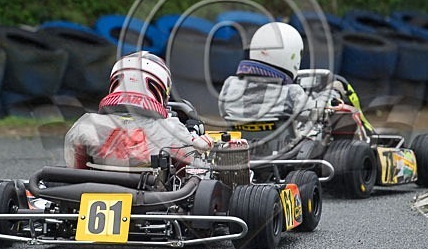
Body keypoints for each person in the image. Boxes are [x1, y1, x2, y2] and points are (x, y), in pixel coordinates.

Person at [64, 51, 213, 170]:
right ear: (159, 88)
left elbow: (75, 171)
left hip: (89, 192)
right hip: (152, 201)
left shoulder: (85, 124)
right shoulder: (170, 127)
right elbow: (191, 170)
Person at [218, 21, 315, 127]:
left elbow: (225, 114)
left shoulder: (229, 85)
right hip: (281, 143)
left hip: (241, 142)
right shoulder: (292, 93)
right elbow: (313, 114)